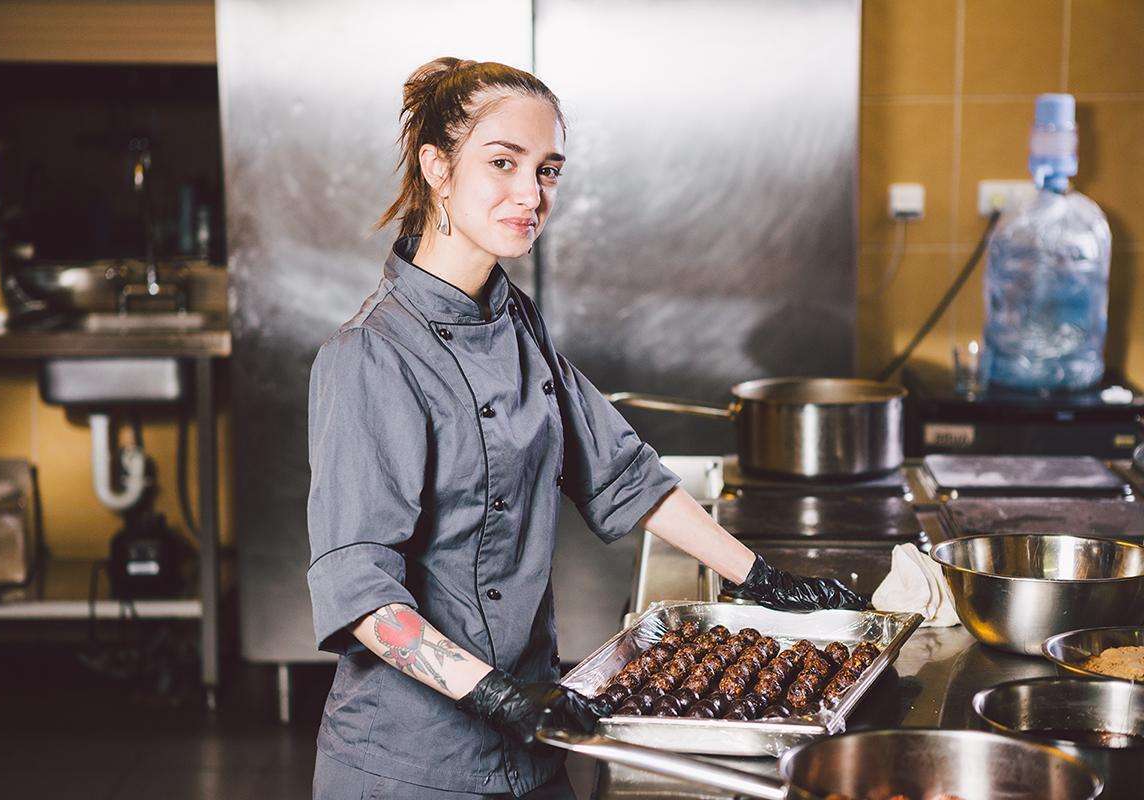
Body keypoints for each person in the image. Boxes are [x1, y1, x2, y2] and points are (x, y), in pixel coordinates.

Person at [307, 57, 866, 800]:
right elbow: (362, 592)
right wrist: (493, 696)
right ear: (436, 167)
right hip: (414, 762)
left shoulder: (514, 321)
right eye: (502, 162)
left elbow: (621, 472)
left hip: (533, 740)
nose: (529, 194)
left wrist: (761, 581)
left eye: (547, 171)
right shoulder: (370, 356)